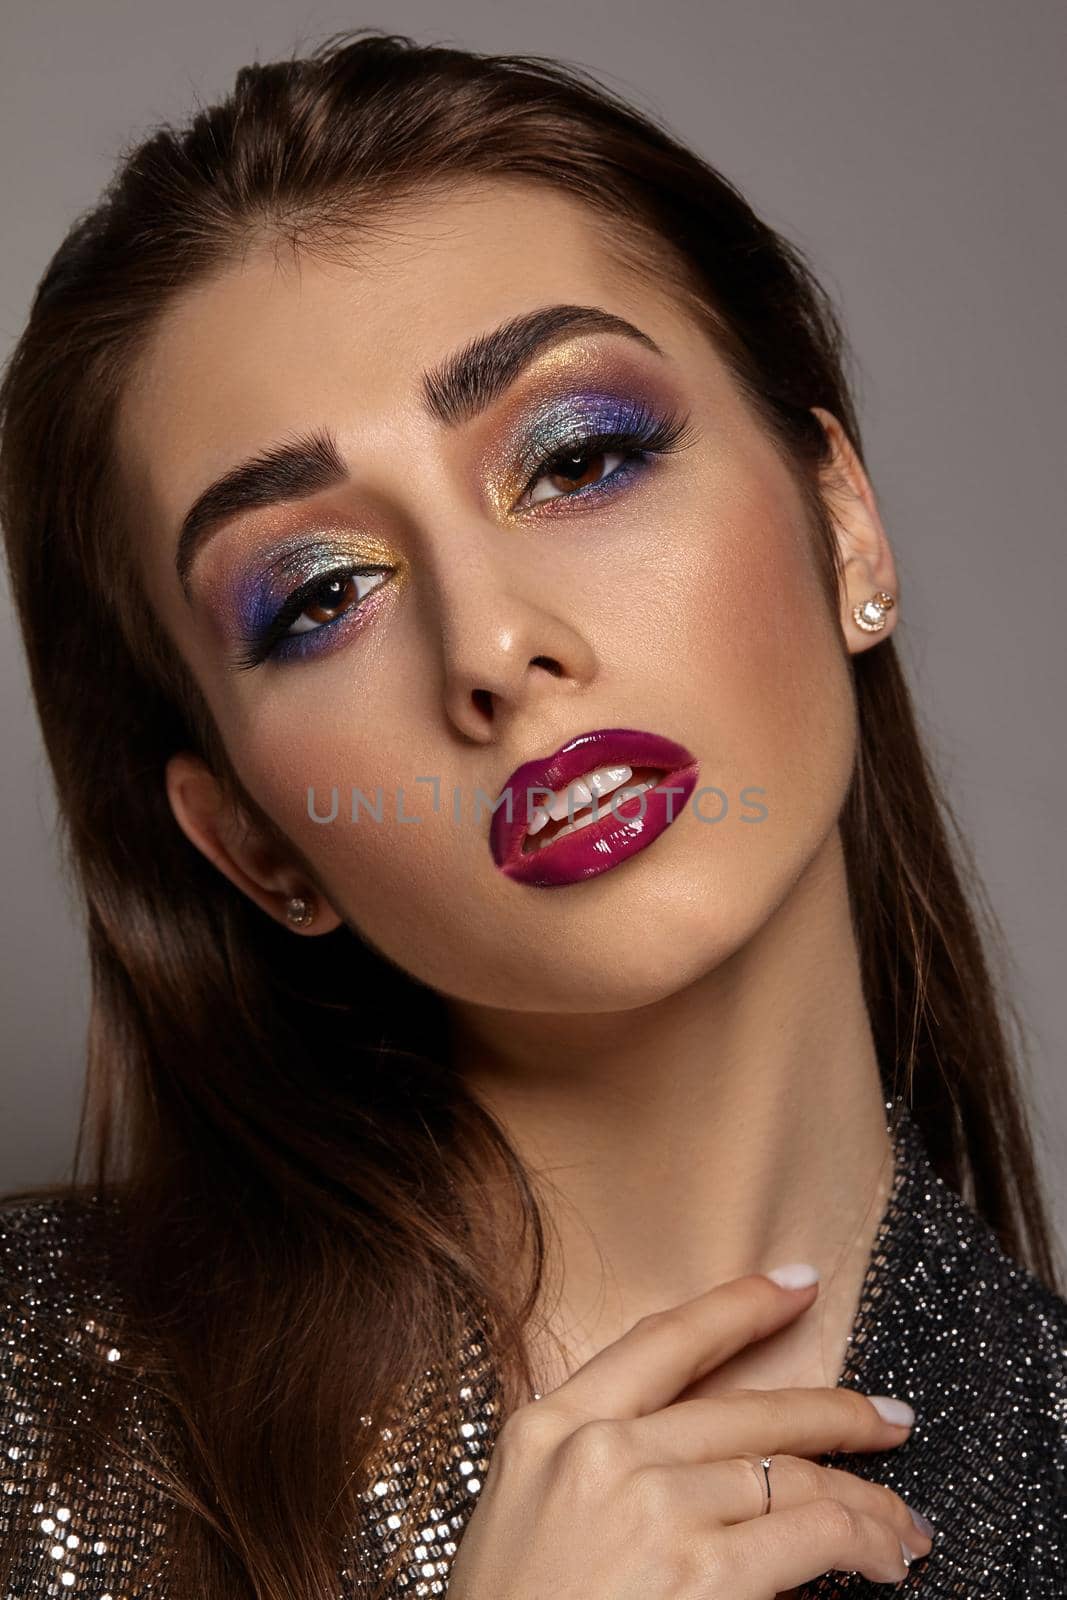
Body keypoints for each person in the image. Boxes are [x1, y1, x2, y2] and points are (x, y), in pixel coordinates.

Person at [0, 27, 1063, 1600]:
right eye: (324, 594)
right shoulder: (39, 1423)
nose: (492, 646)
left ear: (844, 522)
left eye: (579, 459)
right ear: (252, 843)